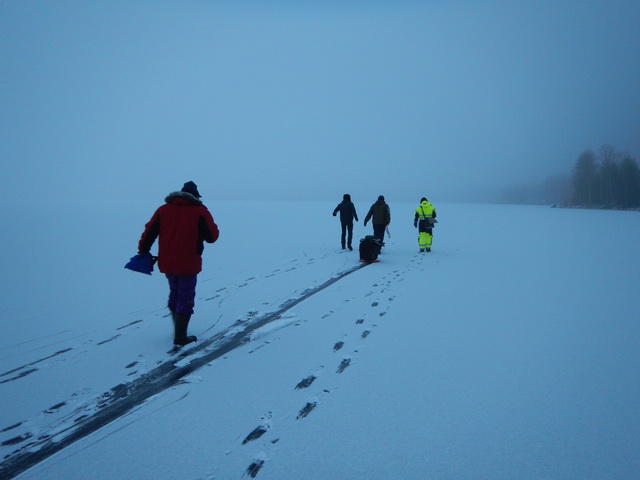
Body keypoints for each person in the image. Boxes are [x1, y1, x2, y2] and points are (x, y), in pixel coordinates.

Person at [137, 181, 219, 346]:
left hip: (167, 262)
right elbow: (212, 237)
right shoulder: (200, 212)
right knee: (186, 297)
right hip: (188, 263)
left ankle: (178, 331)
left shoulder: (163, 210)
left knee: (174, 293)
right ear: (196, 196)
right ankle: (180, 337)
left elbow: (149, 232)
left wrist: (143, 251)